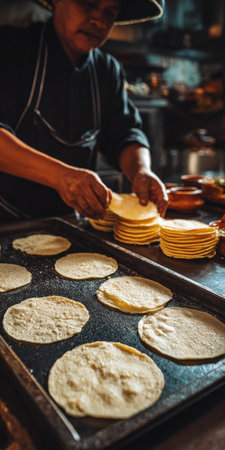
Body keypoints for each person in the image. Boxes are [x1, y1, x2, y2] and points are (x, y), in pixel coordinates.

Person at [0, 0, 167, 221]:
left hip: (70, 223)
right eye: (88, 4)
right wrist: (61, 176)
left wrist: (142, 171)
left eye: (109, 13)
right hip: (7, 220)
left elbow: (126, 134)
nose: (99, 21)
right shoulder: (11, 48)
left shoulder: (107, 71)